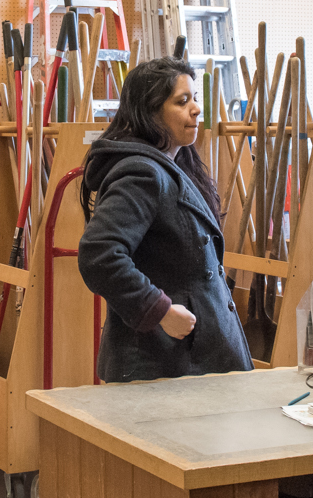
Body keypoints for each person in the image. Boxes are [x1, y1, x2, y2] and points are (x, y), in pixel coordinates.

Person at [78, 57, 252, 383]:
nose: (196, 109)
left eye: (195, 98)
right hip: (163, 365)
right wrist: (160, 311)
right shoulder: (141, 172)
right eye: (182, 101)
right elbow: (99, 255)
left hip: (189, 365)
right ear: (151, 111)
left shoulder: (172, 164)